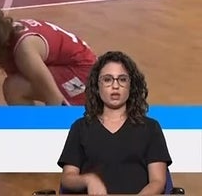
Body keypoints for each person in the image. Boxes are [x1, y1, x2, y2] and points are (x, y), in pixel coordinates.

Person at [57, 51, 172, 195]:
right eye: (107, 79)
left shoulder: (150, 128)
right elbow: (68, 178)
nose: (115, 86)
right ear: (97, 87)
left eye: (122, 79)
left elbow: (158, 182)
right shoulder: (80, 127)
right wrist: (88, 179)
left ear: (132, 85)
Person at [0, 8, 97, 106]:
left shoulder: (24, 50)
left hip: (85, 76)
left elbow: (53, 97)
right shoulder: (2, 37)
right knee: (16, 85)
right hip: (73, 68)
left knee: (14, 88)